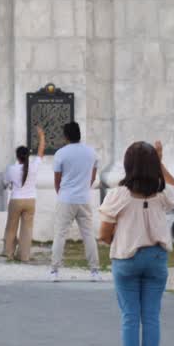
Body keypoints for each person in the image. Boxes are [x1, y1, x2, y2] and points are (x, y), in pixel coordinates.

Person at [97, 140, 174, 346]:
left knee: (130, 318)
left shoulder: (118, 195)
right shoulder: (161, 193)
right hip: (156, 258)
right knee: (151, 317)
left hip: (127, 258)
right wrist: (160, 162)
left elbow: (104, 233)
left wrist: (118, 240)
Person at [51, 121, 100, 282]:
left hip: (66, 198)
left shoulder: (61, 153)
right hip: (84, 198)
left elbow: (57, 180)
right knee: (88, 235)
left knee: (60, 234)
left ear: (66, 136)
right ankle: (94, 271)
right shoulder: (91, 152)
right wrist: (83, 189)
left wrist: (62, 192)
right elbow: (92, 177)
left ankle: (55, 271)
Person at [3, 127, 46, 262]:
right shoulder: (34, 166)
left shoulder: (12, 169)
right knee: (27, 230)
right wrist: (42, 136)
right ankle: (24, 256)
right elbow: (41, 152)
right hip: (30, 200)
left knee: (11, 227)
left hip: (16, 200)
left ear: (17, 156)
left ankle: (9, 253)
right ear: (28, 156)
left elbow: (5, 182)